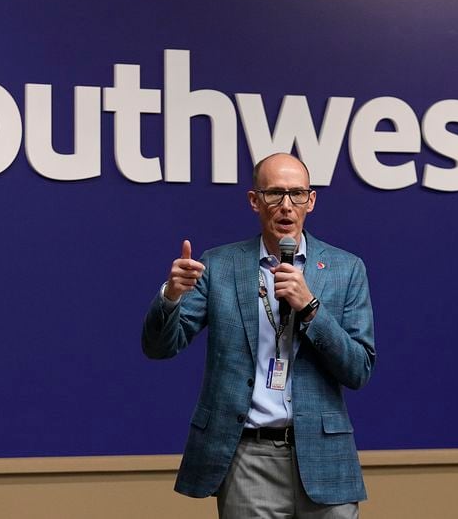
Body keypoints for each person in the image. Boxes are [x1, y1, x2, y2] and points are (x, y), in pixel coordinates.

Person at [142, 153, 375, 518]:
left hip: (324, 455)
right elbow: (159, 347)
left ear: (311, 201)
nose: (286, 206)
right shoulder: (220, 265)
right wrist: (171, 296)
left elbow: (358, 369)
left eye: (297, 194)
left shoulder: (346, 269)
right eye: (274, 194)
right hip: (248, 457)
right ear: (255, 201)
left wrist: (310, 307)